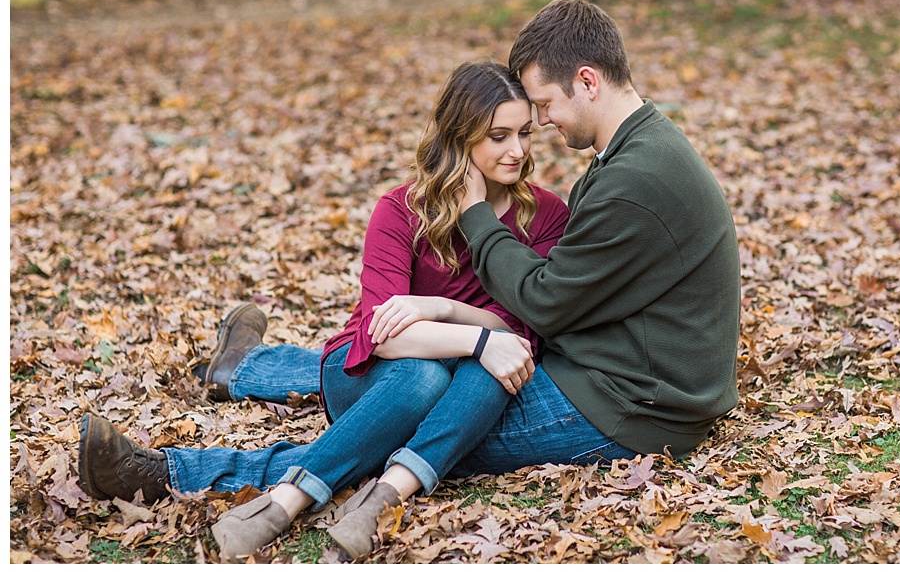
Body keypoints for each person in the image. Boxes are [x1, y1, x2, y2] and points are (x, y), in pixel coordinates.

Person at [78, 0, 742, 558]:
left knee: (394, 424)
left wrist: (476, 239)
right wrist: (466, 324)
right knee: (416, 386)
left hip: (629, 404)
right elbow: (432, 320)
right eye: (509, 127)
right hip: (621, 379)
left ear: (588, 81)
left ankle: (171, 471)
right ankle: (235, 395)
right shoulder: (632, 156)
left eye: (542, 108)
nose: (539, 128)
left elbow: (541, 305)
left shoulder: (624, 182)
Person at [77, 60, 568, 560]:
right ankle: (276, 452)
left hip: (468, 386)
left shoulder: (547, 215)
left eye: (525, 133)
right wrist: (481, 335)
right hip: (364, 375)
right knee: (424, 376)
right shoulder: (400, 211)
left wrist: (437, 308)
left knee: (483, 374)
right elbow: (385, 337)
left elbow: (524, 331)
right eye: (498, 136)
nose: (517, 150)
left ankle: (312, 501)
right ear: (459, 139)